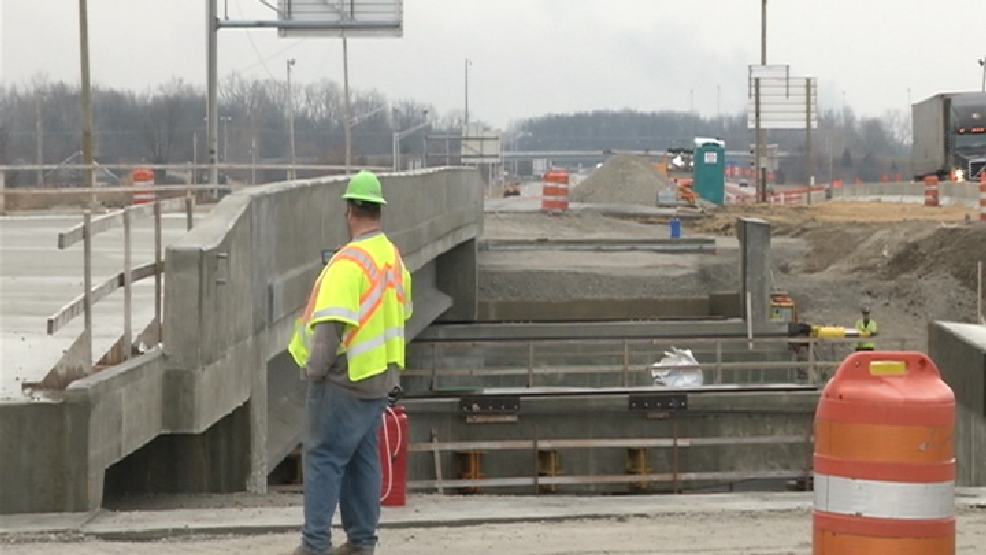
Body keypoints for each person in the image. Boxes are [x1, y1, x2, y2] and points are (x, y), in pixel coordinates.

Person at [287, 170, 413, 555]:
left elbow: (329, 330)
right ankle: (362, 542)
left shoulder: (348, 263)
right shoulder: (392, 258)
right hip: (378, 377)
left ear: (349, 211)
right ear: (378, 210)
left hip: (343, 380)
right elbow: (403, 311)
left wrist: (315, 371)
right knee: (362, 460)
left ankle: (315, 545)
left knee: (324, 458)